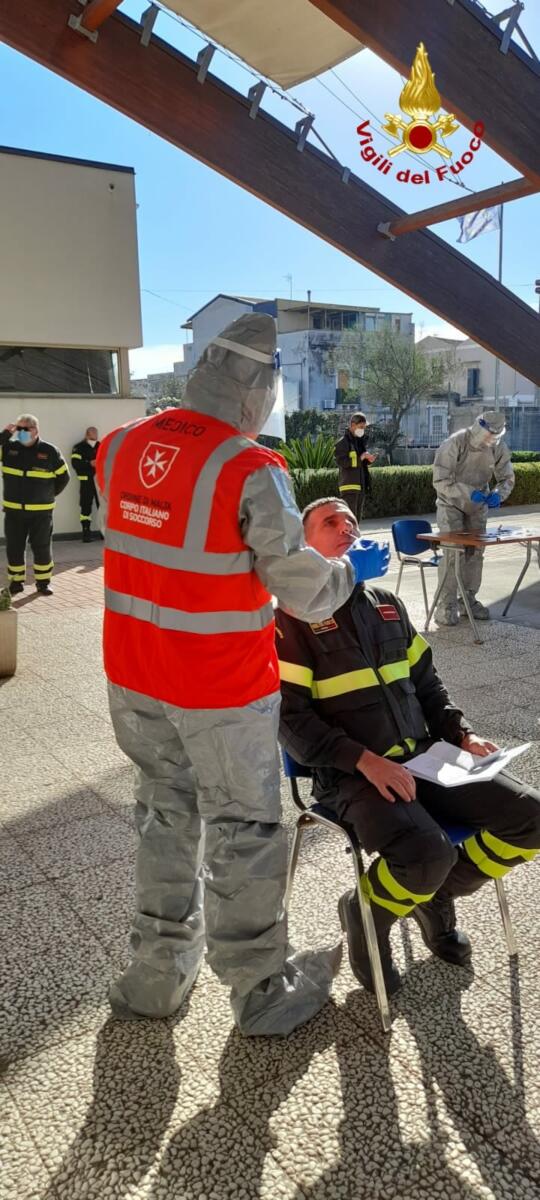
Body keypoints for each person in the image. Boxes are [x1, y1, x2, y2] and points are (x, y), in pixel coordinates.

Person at [95, 312, 389, 1036]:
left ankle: (156, 977)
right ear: (256, 383)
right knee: (244, 830)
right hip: (220, 688)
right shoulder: (249, 467)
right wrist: (351, 571)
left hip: (134, 678)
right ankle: (262, 992)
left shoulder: (122, 445)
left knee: (164, 816)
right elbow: (302, 590)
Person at [275, 496, 540, 995]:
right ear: (302, 544)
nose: (346, 528)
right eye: (329, 522)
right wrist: (364, 761)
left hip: (425, 758)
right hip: (349, 777)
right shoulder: (288, 623)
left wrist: (461, 734)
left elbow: (427, 686)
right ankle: (367, 912)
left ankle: (425, 894)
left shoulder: (389, 607)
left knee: (531, 818)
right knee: (425, 853)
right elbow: (289, 722)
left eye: (351, 520)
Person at [432, 412, 514, 625]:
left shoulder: (497, 447)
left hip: (479, 505)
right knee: (453, 554)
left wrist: (499, 493)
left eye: (493, 437)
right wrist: (468, 492)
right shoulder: (455, 443)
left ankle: (466, 599)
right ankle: (445, 604)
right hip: (451, 504)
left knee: (476, 553)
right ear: (480, 427)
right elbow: (440, 480)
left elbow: (507, 477)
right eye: (488, 435)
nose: (489, 440)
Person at [0, 413, 69, 596]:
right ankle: (16, 582)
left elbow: (64, 477)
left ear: (36, 430)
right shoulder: (8, 448)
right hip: (14, 511)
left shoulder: (50, 451)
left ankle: (43, 582)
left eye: (26, 429)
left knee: (42, 547)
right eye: (19, 429)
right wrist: (5, 435)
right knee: (14, 548)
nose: (21, 432)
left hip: (41, 512)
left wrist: (48, 495)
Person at [334, 411, 377, 523]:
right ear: (352, 425)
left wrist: (368, 460)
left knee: (356, 520)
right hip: (349, 487)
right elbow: (342, 462)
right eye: (360, 427)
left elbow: (360, 462)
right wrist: (361, 457)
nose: (362, 430)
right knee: (349, 520)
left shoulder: (358, 442)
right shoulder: (342, 443)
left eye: (364, 427)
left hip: (360, 486)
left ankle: (355, 539)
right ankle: (349, 540)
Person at [71, 426, 101, 542]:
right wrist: (89, 463)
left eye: (96, 432)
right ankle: (86, 532)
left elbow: (107, 461)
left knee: (102, 507)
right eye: (92, 432)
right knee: (85, 507)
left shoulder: (101, 446)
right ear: (87, 434)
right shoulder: (79, 447)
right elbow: (75, 464)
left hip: (100, 482)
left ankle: (104, 532)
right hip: (86, 481)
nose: (95, 434)